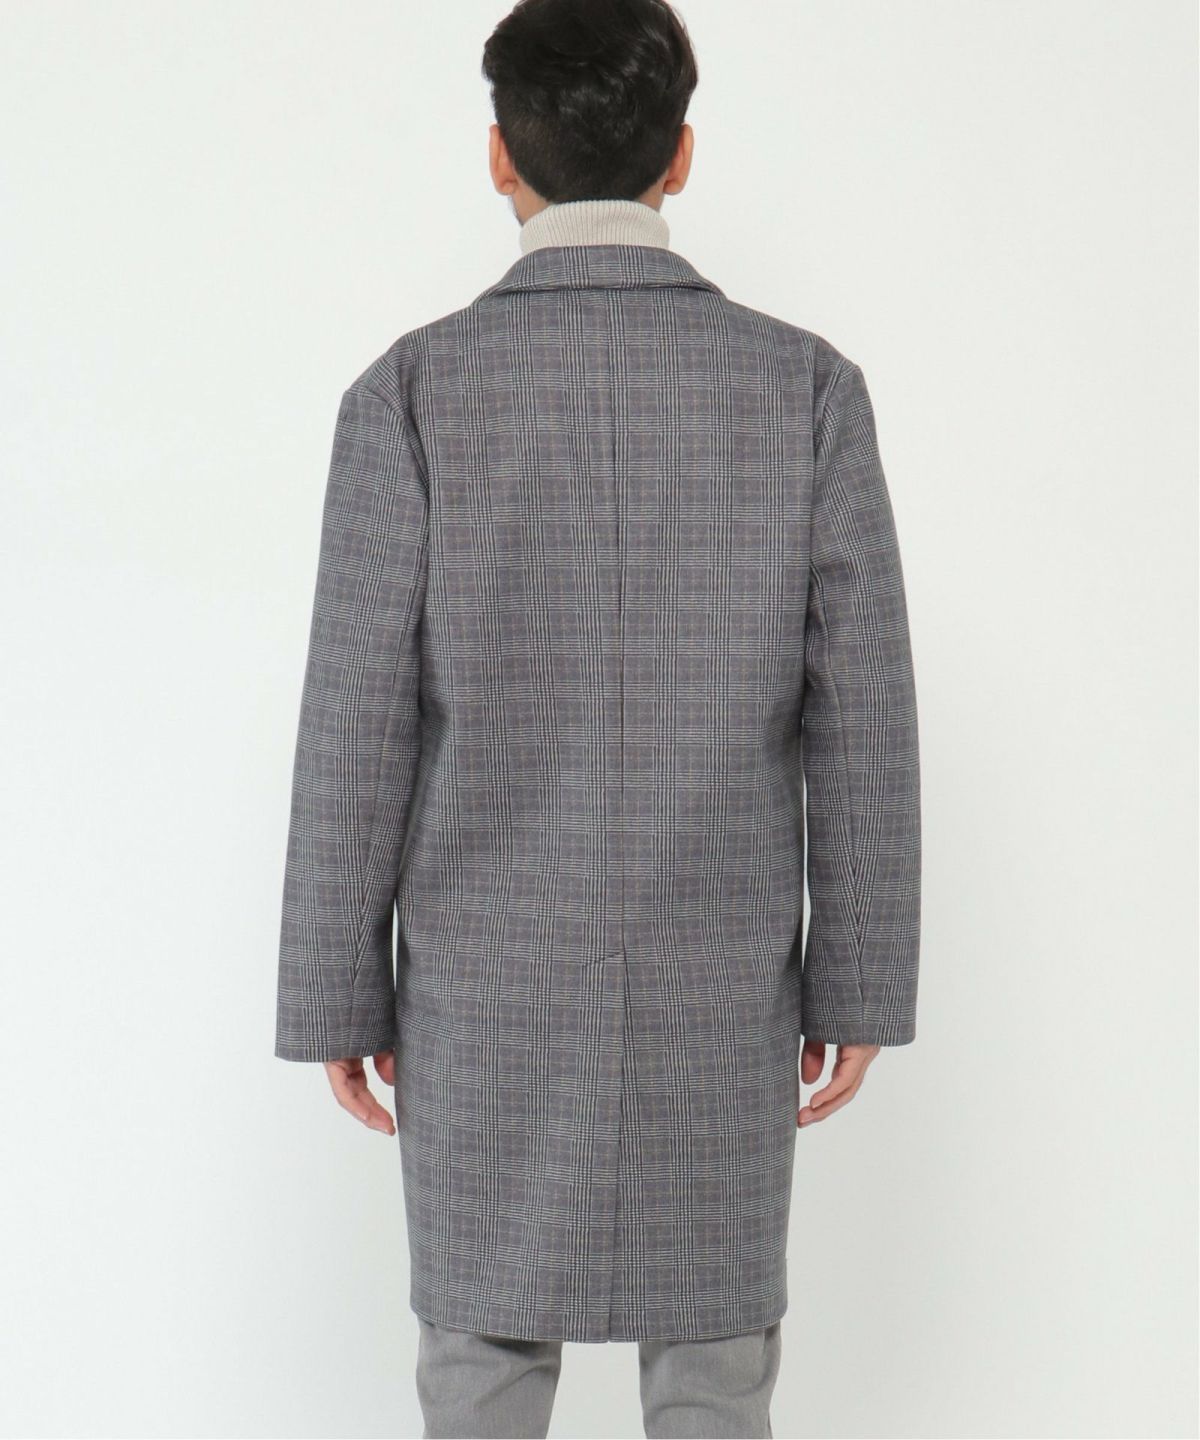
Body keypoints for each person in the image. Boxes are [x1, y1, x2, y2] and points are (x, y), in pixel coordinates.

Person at [273, 0, 922, 1434]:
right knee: (717, 1366)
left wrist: (336, 988)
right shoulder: (807, 389)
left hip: (484, 985)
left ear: (498, 158)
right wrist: (859, 981)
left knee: (481, 1357)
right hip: (720, 974)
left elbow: (358, 716)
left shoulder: (411, 393)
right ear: (680, 156)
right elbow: (862, 712)